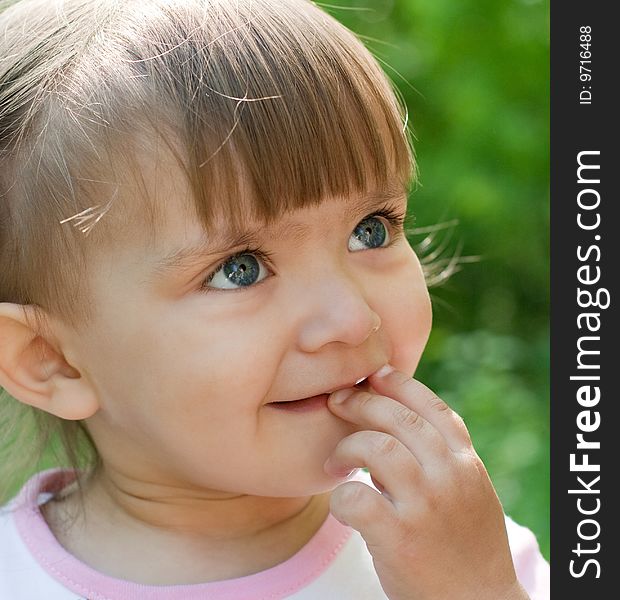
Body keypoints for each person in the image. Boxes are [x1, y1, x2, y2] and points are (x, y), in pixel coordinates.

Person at [0, 0, 549, 598]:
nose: (351, 319)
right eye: (240, 269)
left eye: (371, 228)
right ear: (51, 359)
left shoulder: (458, 555)